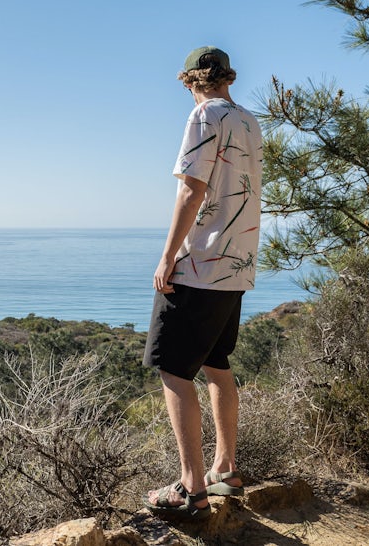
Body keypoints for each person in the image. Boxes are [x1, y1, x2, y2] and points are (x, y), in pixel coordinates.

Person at [141, 45, 263, 521]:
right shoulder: (249, 121)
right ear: (227, 77)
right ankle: (226, 469)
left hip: (201, 263)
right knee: (216, 361)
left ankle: (192, 489)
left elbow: (192, 189)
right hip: (237, 264)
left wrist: (168, 256)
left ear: (191, 81)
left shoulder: (203, 116)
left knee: (172, 368)